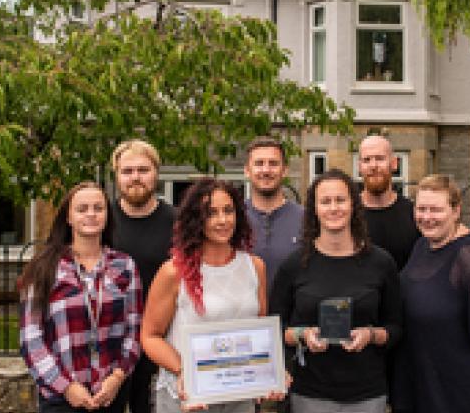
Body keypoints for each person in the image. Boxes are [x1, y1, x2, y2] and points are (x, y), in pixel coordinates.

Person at [141, 178, 283, 413]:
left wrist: (271, 371)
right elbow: (150, 337)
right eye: (211, 213)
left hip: (239, 396)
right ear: (196, 220)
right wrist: (185, 371)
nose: (223, 220)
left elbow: (258, 331)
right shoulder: (174, 271)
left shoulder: (255, 267)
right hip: (188, 397)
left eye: (228, 211)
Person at [269, 169, 402, 413]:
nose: (334, 208)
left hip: (367, 393)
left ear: (354, 204)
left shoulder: (381, 262)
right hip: (309, 392)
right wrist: (303, 334)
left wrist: (370, 335)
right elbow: (276, 328)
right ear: (314, 209)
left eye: (340, 200)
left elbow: (396, 327)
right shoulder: (294, 265)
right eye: (325, 201)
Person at [391, 174, 470, 413]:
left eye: (436, 210)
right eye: (421, 209)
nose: (426, 217)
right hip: (420, 382)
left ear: (456, 211)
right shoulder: (422, 246)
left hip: (457, 391)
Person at [19, 181, 142, 413]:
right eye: (82, 209)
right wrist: (66, 387)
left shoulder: (124, 266)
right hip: (60, 397)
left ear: (107, 215)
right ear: (69, 217)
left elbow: (134, 330)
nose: (91, 215)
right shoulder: (44, 268)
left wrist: (117, 377)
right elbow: (31, 338)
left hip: (109, 394)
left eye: (98, 208)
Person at [108, 139, 176, 413]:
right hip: (111, 337)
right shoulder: (102, 220)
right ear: (117, 176)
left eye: (143, 170)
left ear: (156, 173)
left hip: (163, 336)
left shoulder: (177, 221)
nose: (135, 177)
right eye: (127, 171)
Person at [244, 136, 303, 289]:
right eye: (259, 163)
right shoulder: (232, 219)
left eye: (273, 163)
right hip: (243, 313)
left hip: (292, 312)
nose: (266, 170)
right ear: (247, 171)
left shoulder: (306, 219)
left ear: (285, 170)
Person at [358, 135, 419, 270]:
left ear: (394, 163)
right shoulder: (346, 214)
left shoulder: (414, 214)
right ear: (360, 166)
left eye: (380, 158)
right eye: (367, 160)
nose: (373, 166)